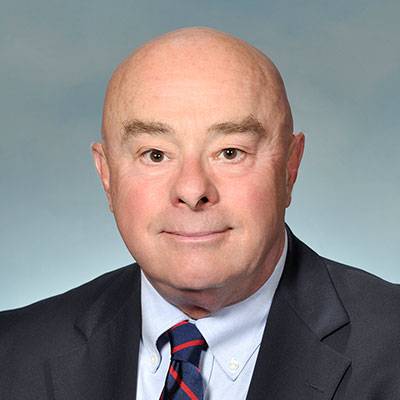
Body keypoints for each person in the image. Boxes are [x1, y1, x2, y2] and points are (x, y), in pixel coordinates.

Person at [0, 27, 399, 400]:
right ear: (107, 176)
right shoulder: (12, 353)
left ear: (289, 168)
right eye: (155, 155)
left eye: (230, 152)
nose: (192, 191)